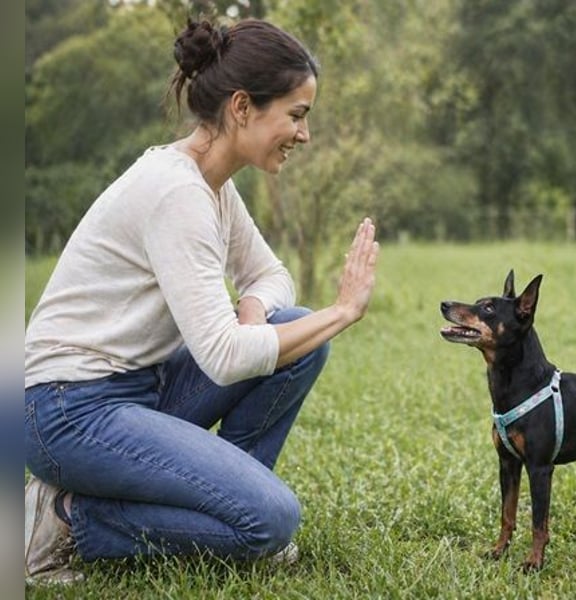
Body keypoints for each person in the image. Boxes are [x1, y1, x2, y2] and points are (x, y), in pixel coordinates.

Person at [24, 17, 380, 586]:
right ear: (242, 107)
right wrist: (341, 313)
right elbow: (224, 357)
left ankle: (227, 511)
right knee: (273, 520)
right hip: (69, 412)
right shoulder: (177, 193)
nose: (303, 134)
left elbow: (271, 275)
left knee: (297, 334)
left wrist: (256, 308)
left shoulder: (213, 186)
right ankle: (67, 518)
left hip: (143, 390)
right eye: (296, 115)